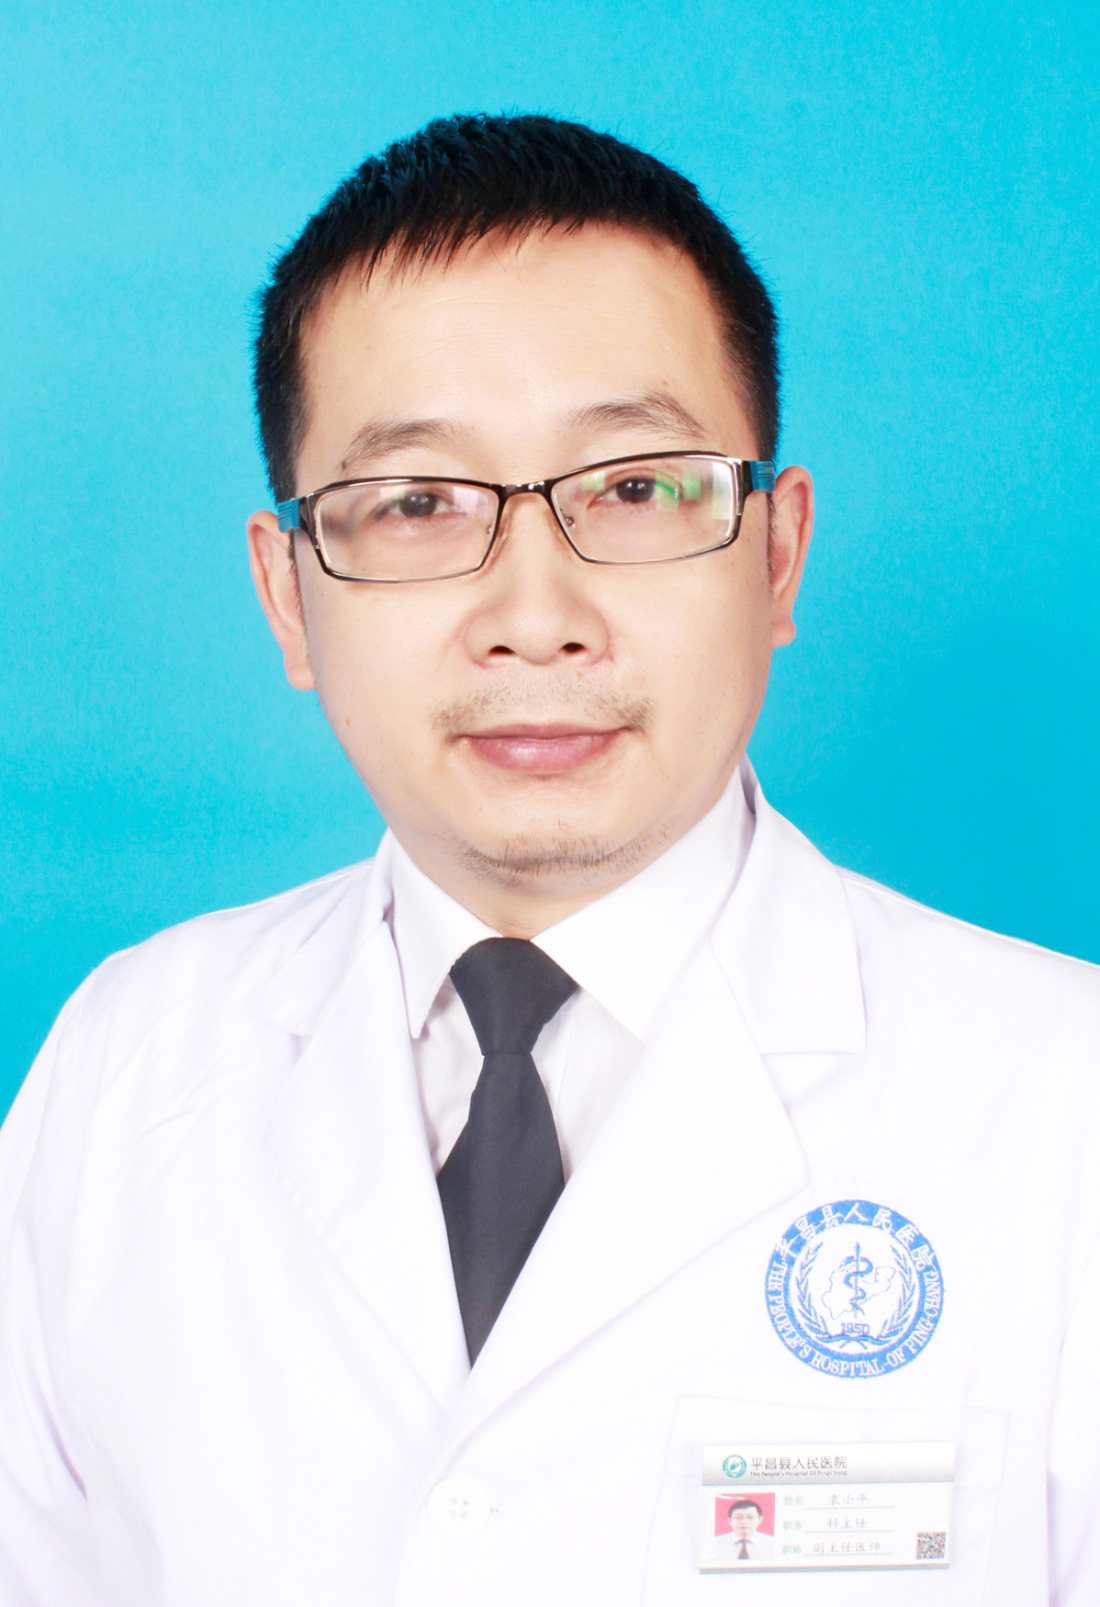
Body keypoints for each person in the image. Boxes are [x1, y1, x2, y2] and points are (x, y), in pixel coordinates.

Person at [0, 111, 1098, 1607]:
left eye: (636, 489)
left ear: (778, 556)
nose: (534, 619)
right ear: (286, 597)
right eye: (415, 503)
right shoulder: (127, 1071)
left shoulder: (1061, 1103)